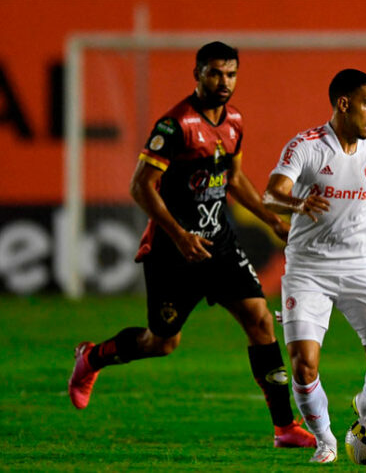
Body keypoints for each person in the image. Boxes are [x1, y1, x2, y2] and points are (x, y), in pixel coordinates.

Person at [67, 41, 316, 449]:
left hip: (219, 241)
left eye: (231, 74)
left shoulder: (234, 120)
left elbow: (233, 178)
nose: (224, 82)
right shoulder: (175, 125)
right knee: (162, 342)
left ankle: (284, 427)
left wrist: (271, 218)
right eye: (215, 73)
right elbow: (140, 186)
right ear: (197, 74)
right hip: (174, 249)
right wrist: (179, 235)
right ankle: (92, 358)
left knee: (260, 321)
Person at [262, 69, 366, 463]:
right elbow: (271, 193)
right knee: (304, 364)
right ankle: (325, 440)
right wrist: (297, 204)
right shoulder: (306, 147)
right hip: (308, 269)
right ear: (344, 104)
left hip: (361, 267)